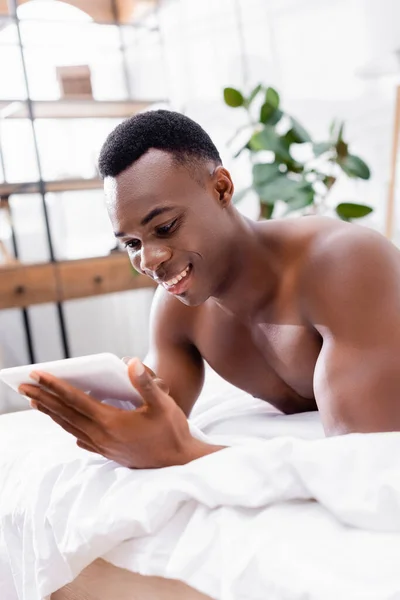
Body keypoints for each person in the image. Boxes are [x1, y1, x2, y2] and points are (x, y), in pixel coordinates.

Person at [19, 110, 400, 469]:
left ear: (221, 188)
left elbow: (366, 462)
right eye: (132, 244)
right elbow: (154, 420)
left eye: (165, 227)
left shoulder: (345, 263)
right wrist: (109, 417)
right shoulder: (177, 310)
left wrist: (189, 453)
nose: (149, 261)